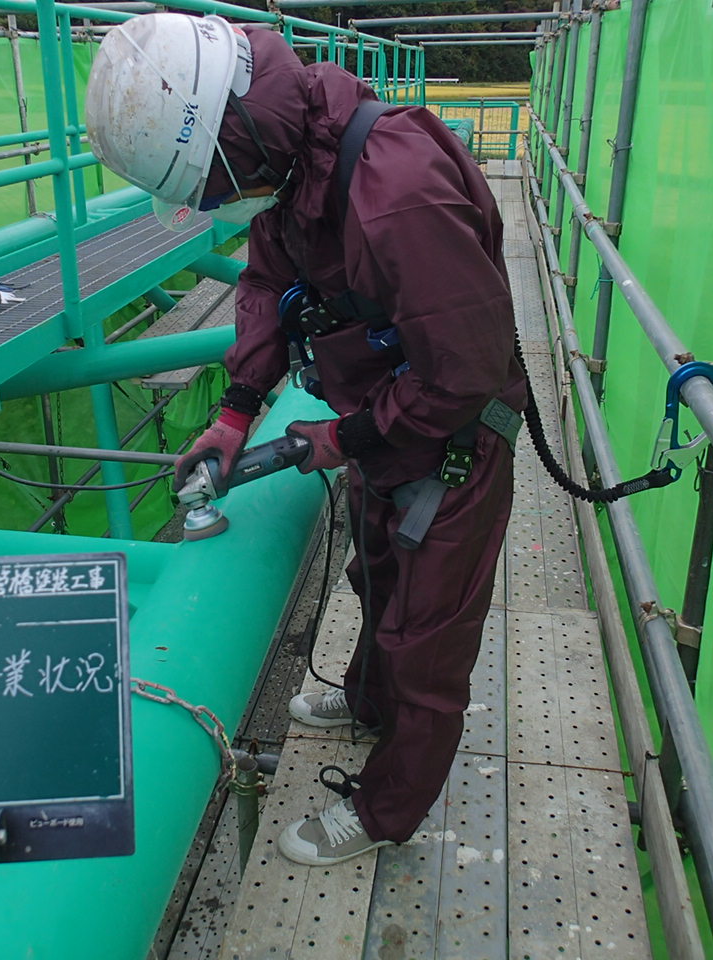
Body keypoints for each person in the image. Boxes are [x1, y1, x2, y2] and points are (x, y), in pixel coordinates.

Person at [86, 13, 526, 866]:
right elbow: (266, 280)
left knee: (425, 643)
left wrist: (345, 436)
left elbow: (463, 371)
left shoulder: (395, 190)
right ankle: (366, 701)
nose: (219, 204)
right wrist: (238, 410)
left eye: (213, 188)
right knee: (376, 575)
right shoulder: (299, 158)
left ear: (238, 138)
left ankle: (389, 808)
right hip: (385, 429)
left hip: (453, 441)